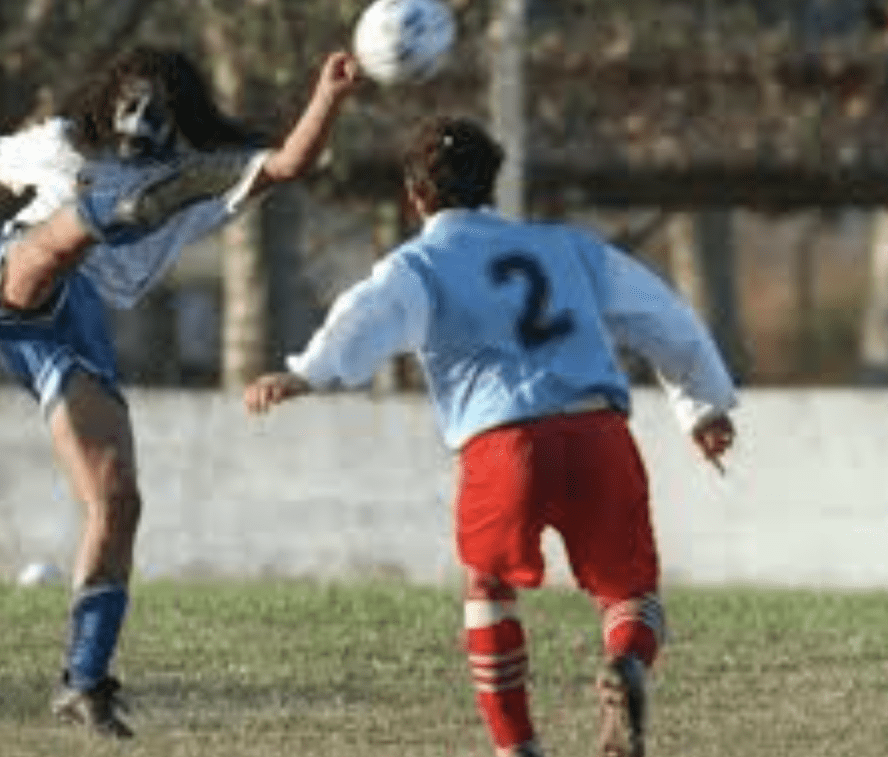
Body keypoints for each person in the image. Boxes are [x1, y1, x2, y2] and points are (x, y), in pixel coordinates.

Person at [0, 45, 359, 738]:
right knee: (48, 253)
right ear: (108, 101)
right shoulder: (65, 144)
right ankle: (103, 214)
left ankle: (83, 680)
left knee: (118, 502)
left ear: (178, 115)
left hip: (77, 335)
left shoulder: (197, 178)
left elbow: (288, 164)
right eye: (130, 104)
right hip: (20, 281)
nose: (139, 119)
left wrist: (330, 96)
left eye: (157, 109)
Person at [243, 116, 736, 757]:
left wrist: (307, 373)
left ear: (416, 196)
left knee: (488, 588)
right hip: (598, 433)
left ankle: (516, 745)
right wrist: (702, 406)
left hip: (504, 448)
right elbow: (661, 314)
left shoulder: (420, 261)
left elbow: (369, 314)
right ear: (492, 187)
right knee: (630, 593)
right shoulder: (570, 247)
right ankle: (627, 665)